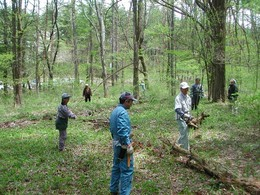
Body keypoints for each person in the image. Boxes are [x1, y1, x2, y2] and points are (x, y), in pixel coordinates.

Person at [109, 92, 137, 195]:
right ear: (126, 101)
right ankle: (124, 193)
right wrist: (128, 143)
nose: (131, 104)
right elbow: (122, 130)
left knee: (116, 166)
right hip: (123, 146)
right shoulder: (123, 113)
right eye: (131, 102)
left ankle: (113, 189)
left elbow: (112, 129)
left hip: (116, 143)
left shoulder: (115, 111)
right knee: (127, 170)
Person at [174, 82, 192, 151]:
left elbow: (188, 109)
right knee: (184, 132)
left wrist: (190, 117)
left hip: (187, 117)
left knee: (185, 133)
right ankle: (186, 150)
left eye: (187, 88)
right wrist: (184, 116)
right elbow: (177, 109)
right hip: (180, 118)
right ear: (181, 89)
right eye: (184, 89)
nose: (186, 90)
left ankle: (177, 145)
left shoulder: (189, 98)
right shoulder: (178, 98)